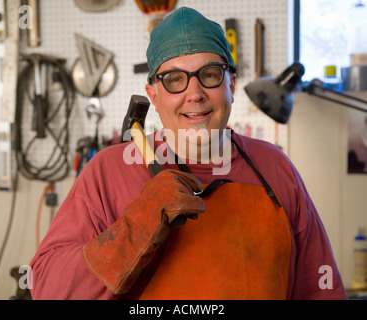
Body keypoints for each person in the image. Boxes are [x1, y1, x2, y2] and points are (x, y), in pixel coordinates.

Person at [29, 7, 347, 300]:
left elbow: (321, 288)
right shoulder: (108, 172)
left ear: (231, 84)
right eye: (175, 79)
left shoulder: (275, 167)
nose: (194, 95)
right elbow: (46, 287)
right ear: (153, 96)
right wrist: (129, 235)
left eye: (209, 74)